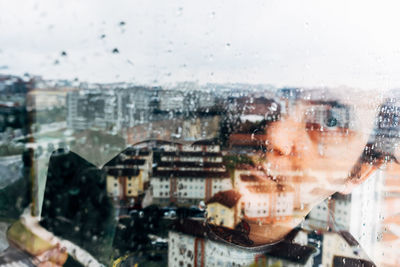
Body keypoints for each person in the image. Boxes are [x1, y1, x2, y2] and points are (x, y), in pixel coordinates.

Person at [1, 87, 399, 266]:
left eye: (330, 119)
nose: (274, 133)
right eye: (271, 97)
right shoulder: (136, 176)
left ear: (363, 169)